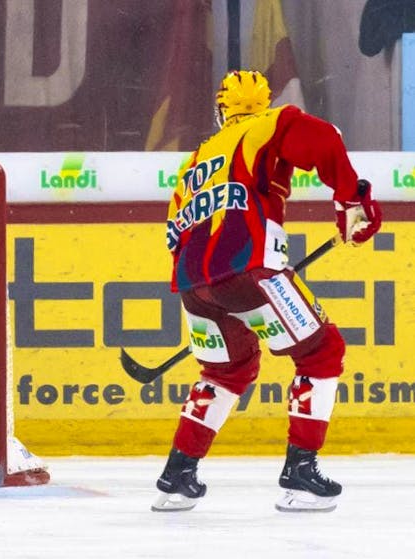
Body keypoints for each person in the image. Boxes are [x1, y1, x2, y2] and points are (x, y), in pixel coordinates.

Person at [154, 70, 383, 512]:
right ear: (264, 103)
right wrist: (351, 199)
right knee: (321, 352)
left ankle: (177, 475)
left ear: (221, 111)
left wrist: (211, 287)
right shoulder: (269, 124)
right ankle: (301, 471)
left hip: (193, 285)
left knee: (225, 372)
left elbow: (174, 235)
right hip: (249, 271)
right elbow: (324, 139)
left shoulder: (193, 163)